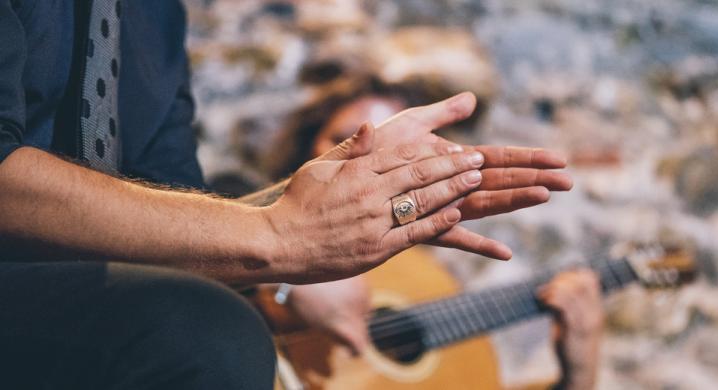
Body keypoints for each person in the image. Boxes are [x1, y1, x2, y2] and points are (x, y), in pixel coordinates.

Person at [0, 1, 572, 389]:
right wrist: (279, 249)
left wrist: (300, 234)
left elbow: (172, 205)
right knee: (203, 330)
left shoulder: (156, 16)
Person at [270, 84, 603, 389]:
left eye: (392, 154)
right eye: (345, 140)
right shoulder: (239, 196)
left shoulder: (424, 273)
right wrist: (282, 276)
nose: (363, 163)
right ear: (310, 140)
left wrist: (578, 378)